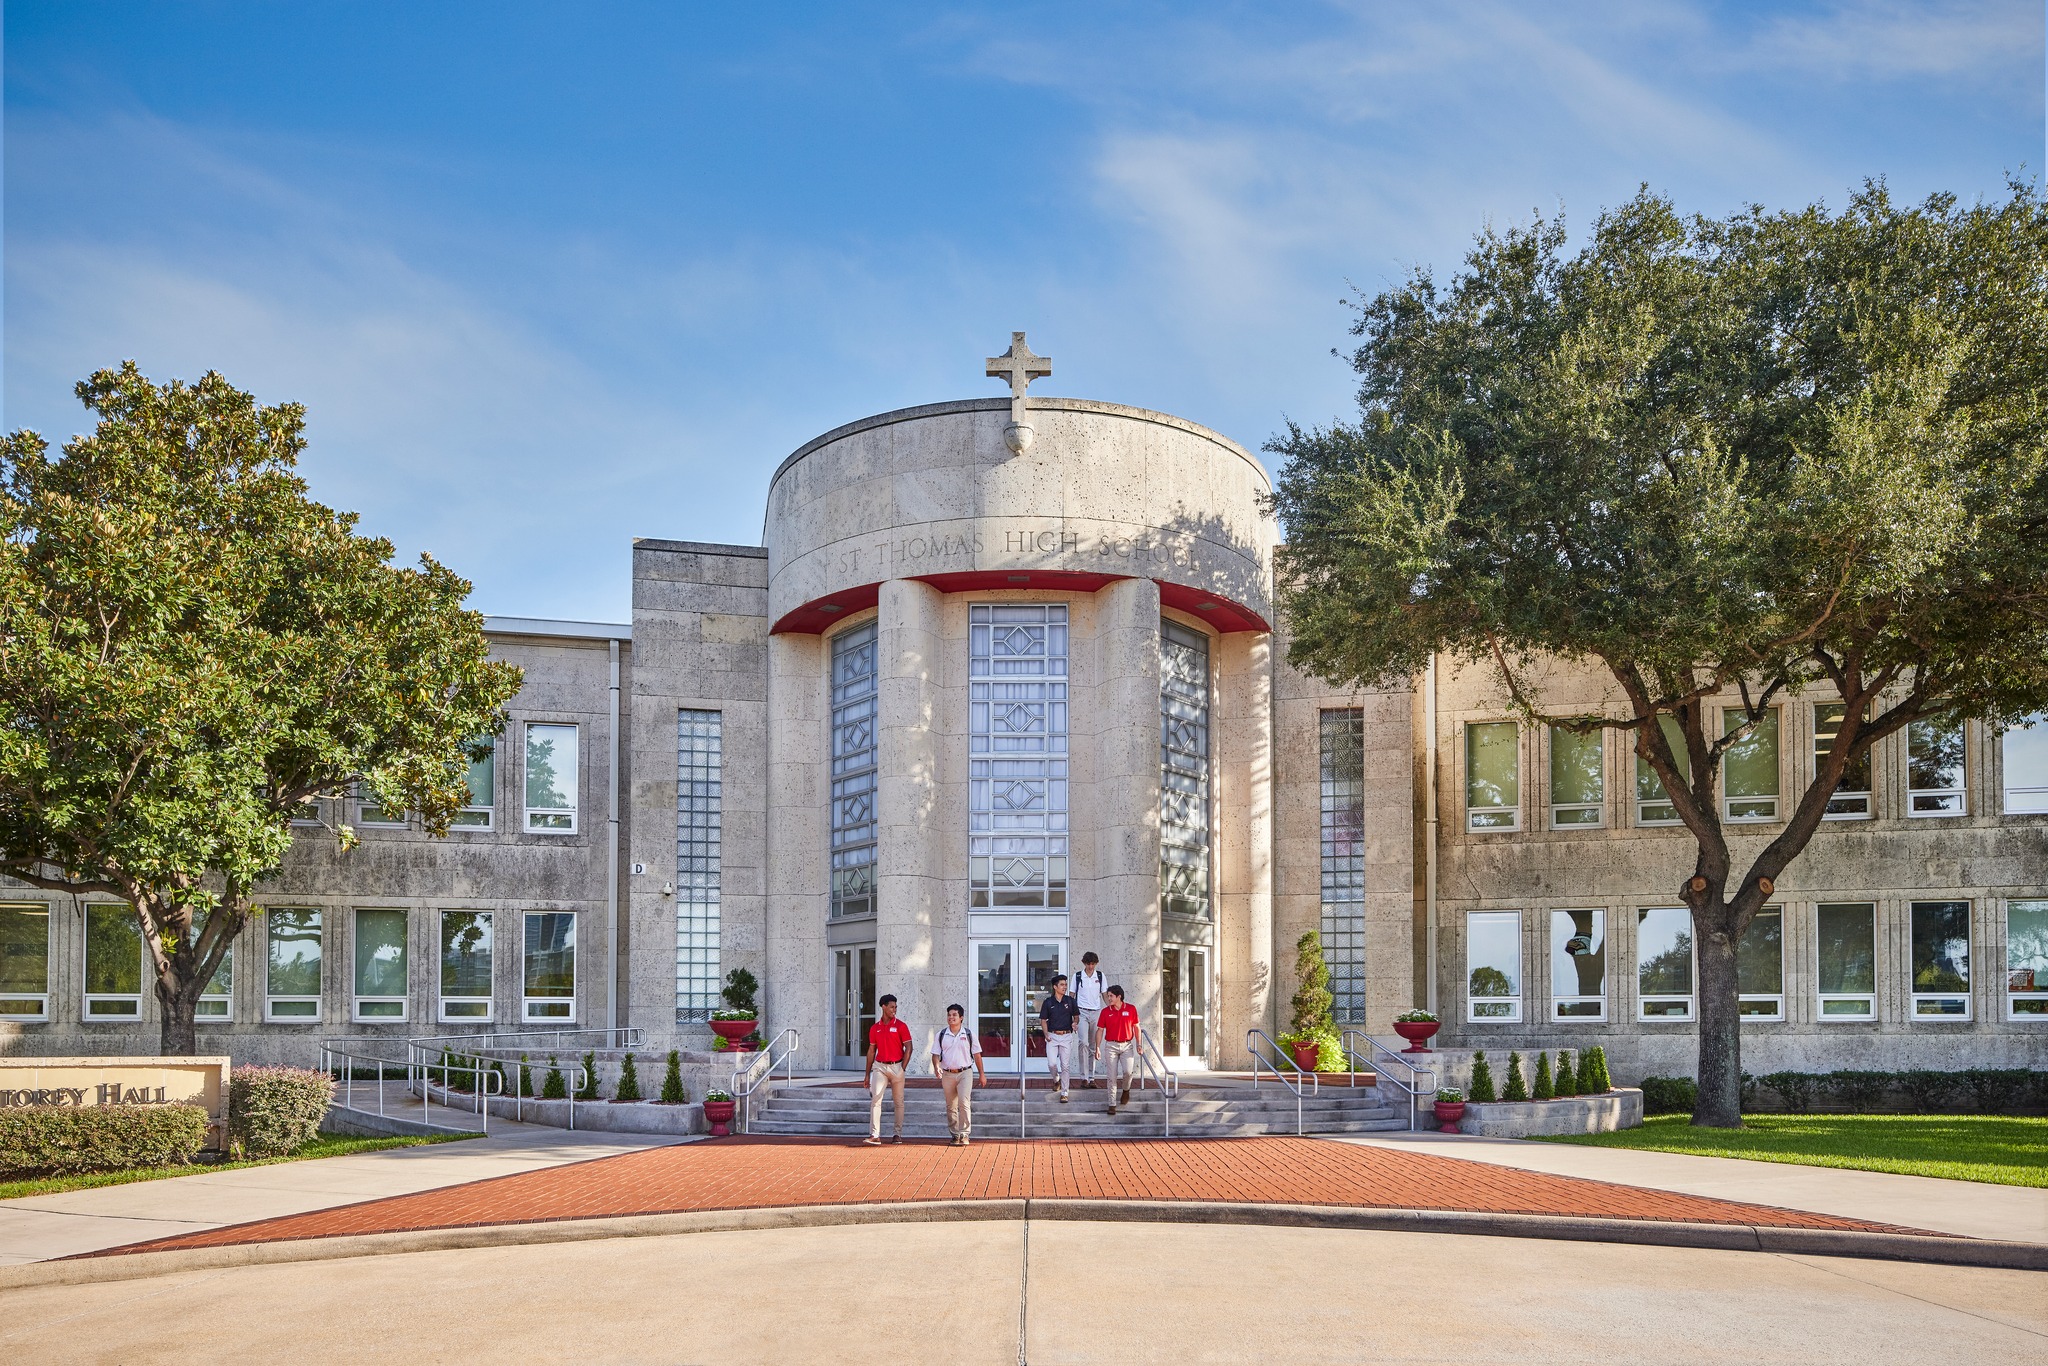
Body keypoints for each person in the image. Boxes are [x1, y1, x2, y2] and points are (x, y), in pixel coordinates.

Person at [931, 1003, 986, 1145]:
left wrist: (982, 1074)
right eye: (949, 1015)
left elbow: (977, 1055)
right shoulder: (941, 1035)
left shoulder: (968, 1034)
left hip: (965, 1072)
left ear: (961, 1018)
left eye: (954, 1015)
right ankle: (955, 1134)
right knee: (951, 1106)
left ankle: (965, 1134)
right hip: (948, 1074)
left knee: (964, 1102)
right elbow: (935, 1054)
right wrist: (937, 1066)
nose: (951, 1017)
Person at [864, 994, 914, 1145]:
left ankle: (897, 1134)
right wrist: (867, 1075)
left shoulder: (901, 1026)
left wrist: (902, 1068)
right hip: (879, 1067)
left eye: (896, 1007)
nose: (894, 1010)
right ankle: (874, 1135)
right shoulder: (875, 1028)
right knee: (876, 1099)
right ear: (883, 1007)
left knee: (898, 1102)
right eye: (892, 1007)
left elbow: (909, 1048)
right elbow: (871, 1051)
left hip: (897, 1066)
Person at [1096, 985, 1140, 1114]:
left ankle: (1126, 1090)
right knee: (1111, 1076)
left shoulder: (1131, 1009)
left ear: (1119, 996)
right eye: (1108, 996)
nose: (1108, 998)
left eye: (1111, 996)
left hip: (1127, 1045)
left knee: (1128, 1072)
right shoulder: (1105, 1011)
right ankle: (1112, 1104)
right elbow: (1099, 1030)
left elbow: (1136, 1027)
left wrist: (1139, 1044)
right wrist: (1098, 1047)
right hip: (1111, 1046)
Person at [1038, 973, 1081, 1101]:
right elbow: (1043, 1020)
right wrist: (1046, 1034)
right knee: (1052, 1064)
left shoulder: (1070, 1001)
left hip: (1066, 1036)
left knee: (1065, 1065)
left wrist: (1075, 1023)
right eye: (1062, 985)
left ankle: (1064, 1093)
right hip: (1052, 1036)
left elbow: (1076, 1016)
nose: (1065, 987)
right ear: (1055, 987)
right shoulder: (1048, 1002)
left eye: (1066, 985)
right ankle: (1056, 1079)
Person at [1072, 951, 1107, 1088]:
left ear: (1096, 964)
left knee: (1093, 1046)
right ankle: (1083, 1077)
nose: (1090, 966)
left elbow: (1104, 994)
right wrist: (1072, 1016)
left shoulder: (1100, 976)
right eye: (1088, 964)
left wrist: (1110, 1009)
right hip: (1081, 1011)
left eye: (1093, 964)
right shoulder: (1078, 976)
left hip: (1096, 1011)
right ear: (1084, 963)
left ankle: (1091, 1077)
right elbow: (1072, 995)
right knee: (1083, 1043)